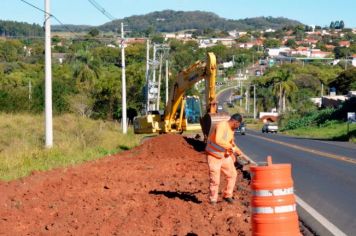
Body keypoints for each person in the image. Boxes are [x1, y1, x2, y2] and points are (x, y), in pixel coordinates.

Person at [205, 113, 245, 205]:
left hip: (224, 156)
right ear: (235, 122)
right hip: (213, 156)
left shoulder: (231, 129)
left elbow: (231, 143)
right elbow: (219, 140)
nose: (238, 127)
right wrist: (231, 147)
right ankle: (213, 200)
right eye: (239, 124)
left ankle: (227, 195)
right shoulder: (222, 125)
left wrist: (239, 153)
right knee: (215, 179)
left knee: (232, 174)